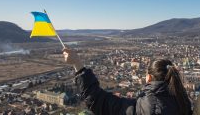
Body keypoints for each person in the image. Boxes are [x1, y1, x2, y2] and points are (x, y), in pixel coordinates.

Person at [63, 49, 192, 115]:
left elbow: (98, 100)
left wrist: (77, 64)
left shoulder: (142, 109)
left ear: (149, 78)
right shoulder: (185, 104)